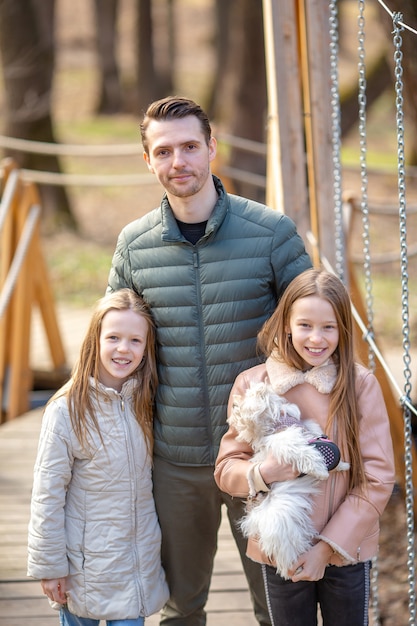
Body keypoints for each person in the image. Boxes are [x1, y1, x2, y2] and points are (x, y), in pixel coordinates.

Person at [106, 95, 313, 625]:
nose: (179, 161)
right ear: (148, 160)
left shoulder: (272, 233)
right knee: (180, 608)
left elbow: (317, 333)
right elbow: (113, 347)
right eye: (164, 151)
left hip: (261, 454)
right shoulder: (133, 246)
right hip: (174, 460)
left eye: (190, 146)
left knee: (279, 604)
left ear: (212, 148)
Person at [214, 268, 396, 626]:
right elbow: (226, 468)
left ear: (342, 330)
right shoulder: (254, 385)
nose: (316, 338)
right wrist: (263, 472)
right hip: (281, 548)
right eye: (305, 326)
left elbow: (377, 477)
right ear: (286, 325)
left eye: (328, 327)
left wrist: (327, 548)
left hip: (346, 548)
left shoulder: (360, 386)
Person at [27, 289, 169, 626]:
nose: (124, 348)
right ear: (96, 339)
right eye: (114, 337)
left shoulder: (146, 403)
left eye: (135, 340)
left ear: (146, 348)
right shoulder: (66, 411)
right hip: (83, 571)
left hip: (134, 569)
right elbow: (47, 495)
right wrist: (50, 567)